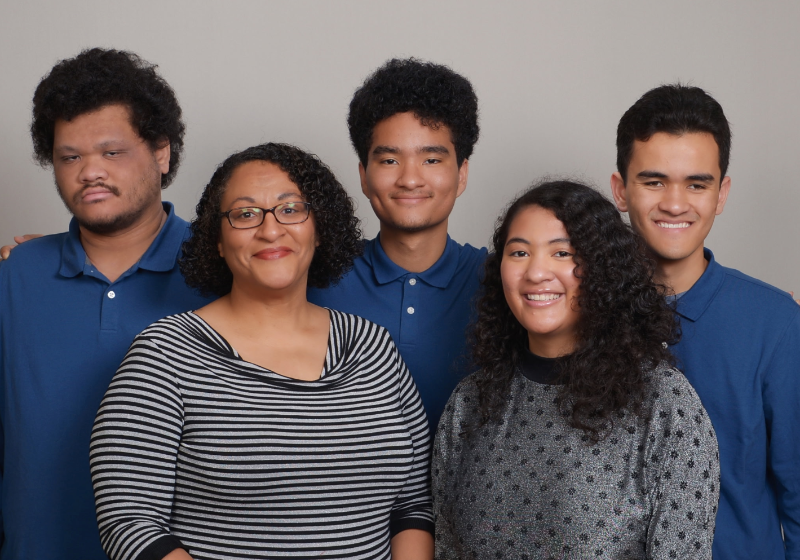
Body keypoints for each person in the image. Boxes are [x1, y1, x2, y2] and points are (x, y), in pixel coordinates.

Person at [90, 143, 434, 560]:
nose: (271, 230)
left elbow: (412, 505)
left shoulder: (374, 347)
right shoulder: (165, 354)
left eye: (291, 209)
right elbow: (129, 521)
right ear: (217, 240)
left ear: (319, 228)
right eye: (245, 214)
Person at [433, 181, 720, 559]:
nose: (536, 272)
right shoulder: (470, 401)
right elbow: (446, 546)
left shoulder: (663, 403)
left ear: (604, 269)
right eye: (519, 252)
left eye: (563, 253)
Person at [0, 48, 212, 560]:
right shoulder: (16, 275)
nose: (89, 171)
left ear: (161, 152)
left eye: (111, 152)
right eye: (70, 157)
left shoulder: (223, 269)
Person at [610, 84, 800, 559]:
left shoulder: (776, 323)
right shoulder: (581, 313)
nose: (676, 203)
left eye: (697, 184)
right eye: (654, 181)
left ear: (722, 193)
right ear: (620, 189)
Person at [308, 58, 487, 431]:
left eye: (432, 159)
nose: (409, 179)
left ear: (462, 174)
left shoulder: (502, 281)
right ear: (364, 175)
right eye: (390, 159)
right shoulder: (314, 276)